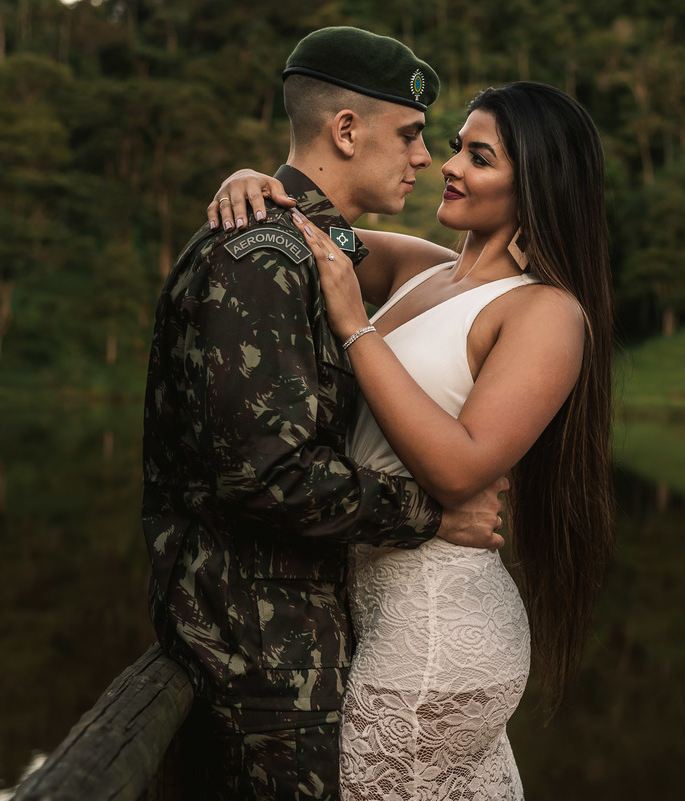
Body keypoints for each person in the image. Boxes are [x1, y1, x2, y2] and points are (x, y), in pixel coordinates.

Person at [210, 81, 616, 800]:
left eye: (479, 156)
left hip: (434, 629)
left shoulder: (545, 312)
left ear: (537, 186)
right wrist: (252, 180)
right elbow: (304, 223)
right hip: (384, 613)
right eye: (457, 145)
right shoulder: (423, 269)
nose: (448, 164)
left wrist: (354, 326)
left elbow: (461, 469)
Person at [141, 28, 508, 801]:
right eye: (410, 135)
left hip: (291, 643)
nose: (424, 158)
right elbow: (271, 477)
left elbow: (460, 277)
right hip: (258, 654)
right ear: (345, 130)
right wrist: (433, 514)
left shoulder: (311, 246)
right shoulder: (262, 259)